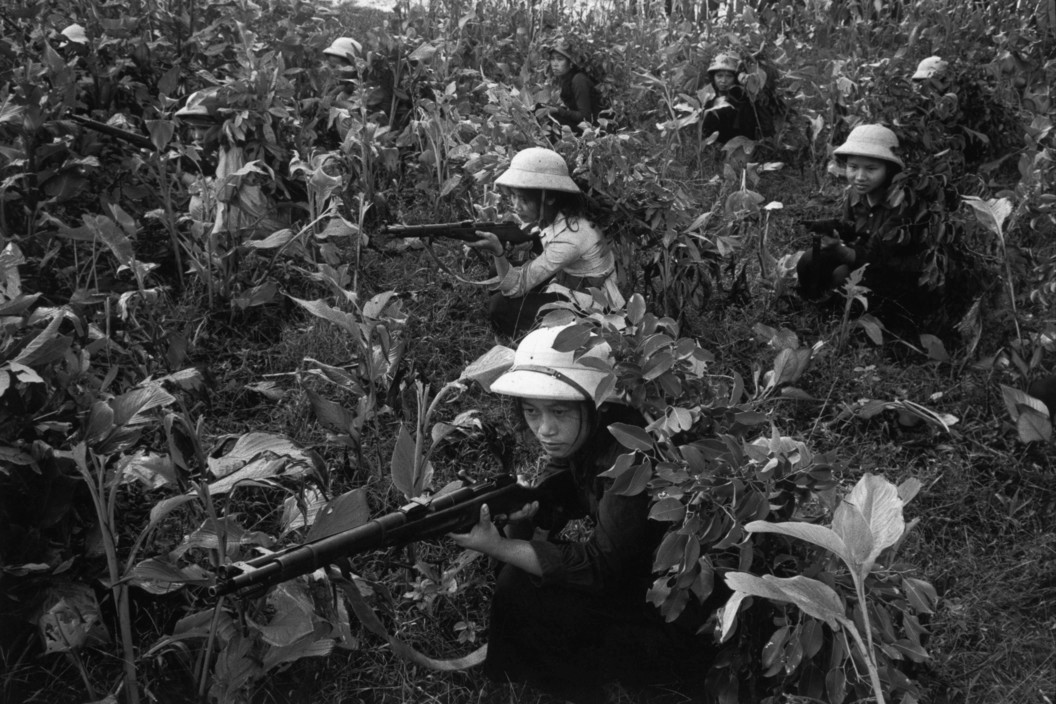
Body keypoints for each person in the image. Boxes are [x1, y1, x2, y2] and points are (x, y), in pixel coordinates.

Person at [449, 324, 715, 703]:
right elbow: (552, 497)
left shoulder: (633, 458)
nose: (545, 429)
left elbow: (602, 568)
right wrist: (521, 512)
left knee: (521, 581)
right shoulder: (585, 439)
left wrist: (499, 547)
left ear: (596, 406)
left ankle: (578, 690)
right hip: (637, 592)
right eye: (531, 412)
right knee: (520, 572)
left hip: (676, 625)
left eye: (559, 411)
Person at [466, 148, 624, 337]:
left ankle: (532, 342)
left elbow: (516, 287)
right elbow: (544, 238)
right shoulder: (564, 212)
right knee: (497, 273)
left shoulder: (571, 237)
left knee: (500, 306)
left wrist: (497, 252)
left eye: (524, 200)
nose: (516, 206)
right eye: (514, 196)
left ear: (549, 197)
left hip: (594, 308)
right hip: (571, 282)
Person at [795, 124, 926, 305]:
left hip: (890, 271)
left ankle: (839, 310)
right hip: (861, 258)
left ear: (889, 170)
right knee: (809, 260)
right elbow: (850, 229)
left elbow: (877, 258)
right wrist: (831, 229)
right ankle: (813, 301)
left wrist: (840, 251)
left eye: (871, 169)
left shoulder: (902, 203)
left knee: (843, 278)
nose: (860, 177)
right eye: (853, 167)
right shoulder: (855, 194)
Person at [535, 37, 603, 133]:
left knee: (551, 118)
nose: (555, 64)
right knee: (538, 108)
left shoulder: (579, 80)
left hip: (594, 130)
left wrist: (559, 111)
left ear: (570, 62)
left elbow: (585, 117)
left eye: (560, 59)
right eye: (552, 59)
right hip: (582, 126)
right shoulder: (565, 78)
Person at [701, 52, 757, 144]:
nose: (723, 81)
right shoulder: (706, 98)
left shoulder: (743, 100)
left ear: (736, 78)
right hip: (712, 146)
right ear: (713, 77)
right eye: (719, 76)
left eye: (729, 76)